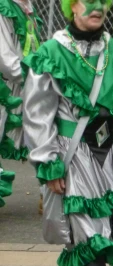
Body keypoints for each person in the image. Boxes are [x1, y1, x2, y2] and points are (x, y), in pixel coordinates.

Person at [22, 0, 113, 266]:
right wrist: (49, 163)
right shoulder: (52, 52)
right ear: (71, 7)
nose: (98, 8)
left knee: (93, 232)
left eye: (104, 2)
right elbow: (37, 114)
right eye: (88, 1)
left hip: (112, 154)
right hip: (72, 155)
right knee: (90, 233)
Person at [0, 0, 40, 162]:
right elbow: (5, 60)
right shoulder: (4, 8)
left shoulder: (27, 7)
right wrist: (39, 79)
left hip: (21, 83)